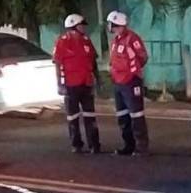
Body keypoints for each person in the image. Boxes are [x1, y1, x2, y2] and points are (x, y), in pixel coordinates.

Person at [52, 14, 101, 154]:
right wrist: (59, 85)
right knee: (72, 117)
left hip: (86, 83)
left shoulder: (86, 41)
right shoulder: (62, 41)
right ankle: (76, 144)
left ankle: (94, 144)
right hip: (70, 85)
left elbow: (93, 62)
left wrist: (97, 80)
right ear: (73, 26)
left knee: (90, 116)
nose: (83, 27)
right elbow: (57, 64)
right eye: (81, 25)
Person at [106, 11, 150, 156]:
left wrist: (133, 72)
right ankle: (128, 145)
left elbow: (143, 57)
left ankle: (141, 147)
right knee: (122, 115)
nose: (110, 27)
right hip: (118, 83)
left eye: (111, 24)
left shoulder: (132, 38)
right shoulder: (115, 41)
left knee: (136, 115)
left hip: (131, 82)